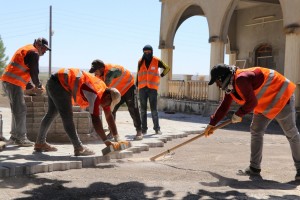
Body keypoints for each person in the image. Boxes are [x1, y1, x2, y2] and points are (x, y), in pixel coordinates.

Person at [204, 63, 300, 181]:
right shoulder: (232, 86)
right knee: (256, 130)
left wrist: (239, 114)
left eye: (217, 82)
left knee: (291, 133)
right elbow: (225, 106)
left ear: (222, 78)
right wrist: (212, 123)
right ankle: (254, 168)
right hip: (264, 104)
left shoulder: (241, 79)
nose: (218, 86)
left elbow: (251, 103)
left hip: (282, 97)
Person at [34, 68, 122, 156]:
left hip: (54, 80)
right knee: (67, 117)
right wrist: (106, 141)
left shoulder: (104, 92)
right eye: (109, 104)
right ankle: (79, 148)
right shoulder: (95, 94)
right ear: (107, 97)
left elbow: (109, 115)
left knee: (52, 113)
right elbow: (96, 120)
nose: (106, 107)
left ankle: (40, 143)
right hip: (60, 83)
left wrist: (116, 137)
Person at [0, 37, 50, 147]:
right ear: (38, 44)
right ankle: (21, 138)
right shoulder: (34, 52)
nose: (45, 51)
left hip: (9, 81)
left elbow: (22, 71)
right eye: (44, 48)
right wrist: (38, 85)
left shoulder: (27, 49)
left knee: (16, 109)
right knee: (21, 109)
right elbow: (34, 72)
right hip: (13, 83)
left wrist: (30, 86)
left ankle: (15, 136)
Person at [89, 59, 143, 140]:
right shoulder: (98, 76)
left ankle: (139, 131)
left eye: (96, 71)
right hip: (117, 93)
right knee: (111, 110)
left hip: (129, 88)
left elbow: (115, 72)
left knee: (133, 109)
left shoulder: (113, 69)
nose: (95, 73)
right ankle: (112, 132)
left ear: (101, 69)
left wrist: (108, 78)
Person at [136, 45, 170, 135]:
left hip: (152, 89)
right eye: (145, 52)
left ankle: (157, 129)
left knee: (154, 110)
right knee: (142, 110)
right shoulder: (140, 61)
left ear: (152, 52)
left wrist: (162, 75)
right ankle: (144, 129)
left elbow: (167, 68)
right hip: (142, 88)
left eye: (148, 52)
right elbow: (138, 74)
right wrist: (136, 86)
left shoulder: (157, 60)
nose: (147, 53)